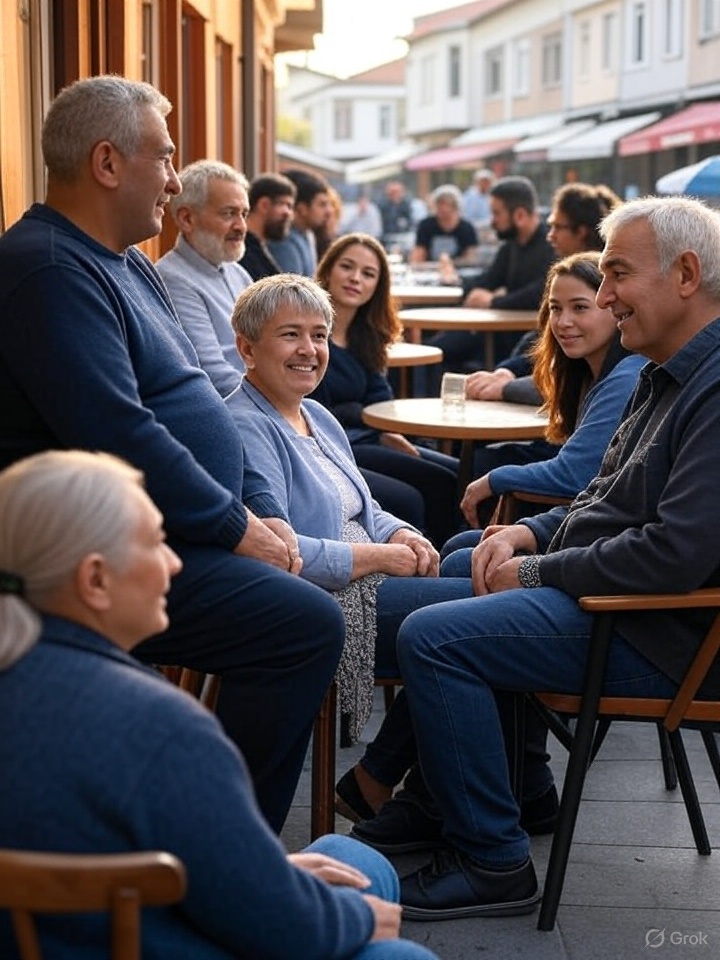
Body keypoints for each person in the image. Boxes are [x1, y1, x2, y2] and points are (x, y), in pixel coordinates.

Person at [356, 195, 720, 920]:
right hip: (619, 609)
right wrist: (530, 533)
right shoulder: (663, 372)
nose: (605, 295)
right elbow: (606, 499)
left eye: (617, 274)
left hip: (660, 634)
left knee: (427, 634)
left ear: (686, 275)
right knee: (420, 584)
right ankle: (489, 794)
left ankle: (491, 860)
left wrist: (536, 568)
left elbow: (674, 554)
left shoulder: (704, 386)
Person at [0, 75, 344, 833]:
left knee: (303, 608)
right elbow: (118, 432)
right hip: (93, 557)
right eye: (163, 156)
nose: (173, 178)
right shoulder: (49, 268)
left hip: (177, 529)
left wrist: (254, 511)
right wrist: (235, 525)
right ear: (106, 163)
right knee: (303, 625)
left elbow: (195, 406)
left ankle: (214, 836)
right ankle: (221, 841)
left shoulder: (121, 262)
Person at [0, 449, 439, 960]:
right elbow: (284, 925)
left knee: (346, 856)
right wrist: (358, 918)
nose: (174, 562)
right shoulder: (162, 728)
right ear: (95, 580)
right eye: (157, 543)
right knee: (393, 938)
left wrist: (266, 873)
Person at [227, 274, 473, 744]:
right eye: (290, 334)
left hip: (368, 578)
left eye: (319, 335)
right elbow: (281, 552)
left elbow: (363, 506)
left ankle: (388, 775)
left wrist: (401, 534)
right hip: (328, 599)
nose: (309, 349)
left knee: (475, 578)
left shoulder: (316, 414)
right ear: (247, 348)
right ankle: (389, 775)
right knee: (481, 624)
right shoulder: (245, 426)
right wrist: (379, 557)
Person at [442, 251, 645, 538]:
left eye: (580, 308)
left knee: (462, 541)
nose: (563, 321)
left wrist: (495, 480)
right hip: (585, 517)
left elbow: (574, 474)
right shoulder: (582, 371)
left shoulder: (626, 378)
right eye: (555, 309)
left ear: (613, 308)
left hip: (607, 534)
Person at [310, 232, 462, 547]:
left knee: (458, 472)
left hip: (369, 434)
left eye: (368, 274)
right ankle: (428, 562)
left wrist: (383, 430)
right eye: (347, 267)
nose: (355, 278)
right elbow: (316, 410)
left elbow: (380, 395)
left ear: (378, 285)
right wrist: (372, 422)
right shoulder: (311, 333)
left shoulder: (367, 333)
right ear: (328, 270)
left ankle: (454, 555)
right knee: (427, 488)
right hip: (335, 444)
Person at [464, 181, 622, 403]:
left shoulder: (601, 279)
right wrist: (507, 370)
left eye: (557, 227)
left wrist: (507, 385)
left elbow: (567, 381)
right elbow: (542, 336)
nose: (550, 235)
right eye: (556, 308)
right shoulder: (558, 268)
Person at [434, 175, 555, 373]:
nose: (492, 221)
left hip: (529, 340)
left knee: (437, 353)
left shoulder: (551, 244)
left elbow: (541, 292)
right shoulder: (511, 245)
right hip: (500, 333)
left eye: (496, 213)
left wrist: (493, 302)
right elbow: (489, 279)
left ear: (520, 215)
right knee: (433, 348)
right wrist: (455, 282)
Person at [155, 159, 252, 398]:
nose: (241, 226)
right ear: (187, 219)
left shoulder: (237, 273)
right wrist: (275, 405)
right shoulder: (172, 279)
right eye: (229, 213)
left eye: (244, 214)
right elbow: (212, 374)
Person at [268, 169, 333, 276]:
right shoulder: (285, 243)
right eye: (322, 205)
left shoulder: (308, 235)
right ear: (302, 209)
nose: (329, 211)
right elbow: (290, 285)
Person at [239, 171, 296, 280]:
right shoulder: (242, 252)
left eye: (290, 207)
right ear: (263, 205)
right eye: (284, 204)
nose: (289, 214)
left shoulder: (258, 248)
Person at [409, 184, 478, 264]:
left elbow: (471, 256)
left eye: (446, 204)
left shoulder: (467, 228)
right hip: (430, 268)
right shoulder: (426, 225)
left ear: (455, 206)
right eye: (439, 204)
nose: (442, 208)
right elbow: (419, 252)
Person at [378, 180, 413, 251]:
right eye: (392, 192)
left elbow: (410, 223)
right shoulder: (382, 206)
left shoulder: (407, 205)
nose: (395, 195)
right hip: (386, 237)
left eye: (397, 192)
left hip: (404, 237)